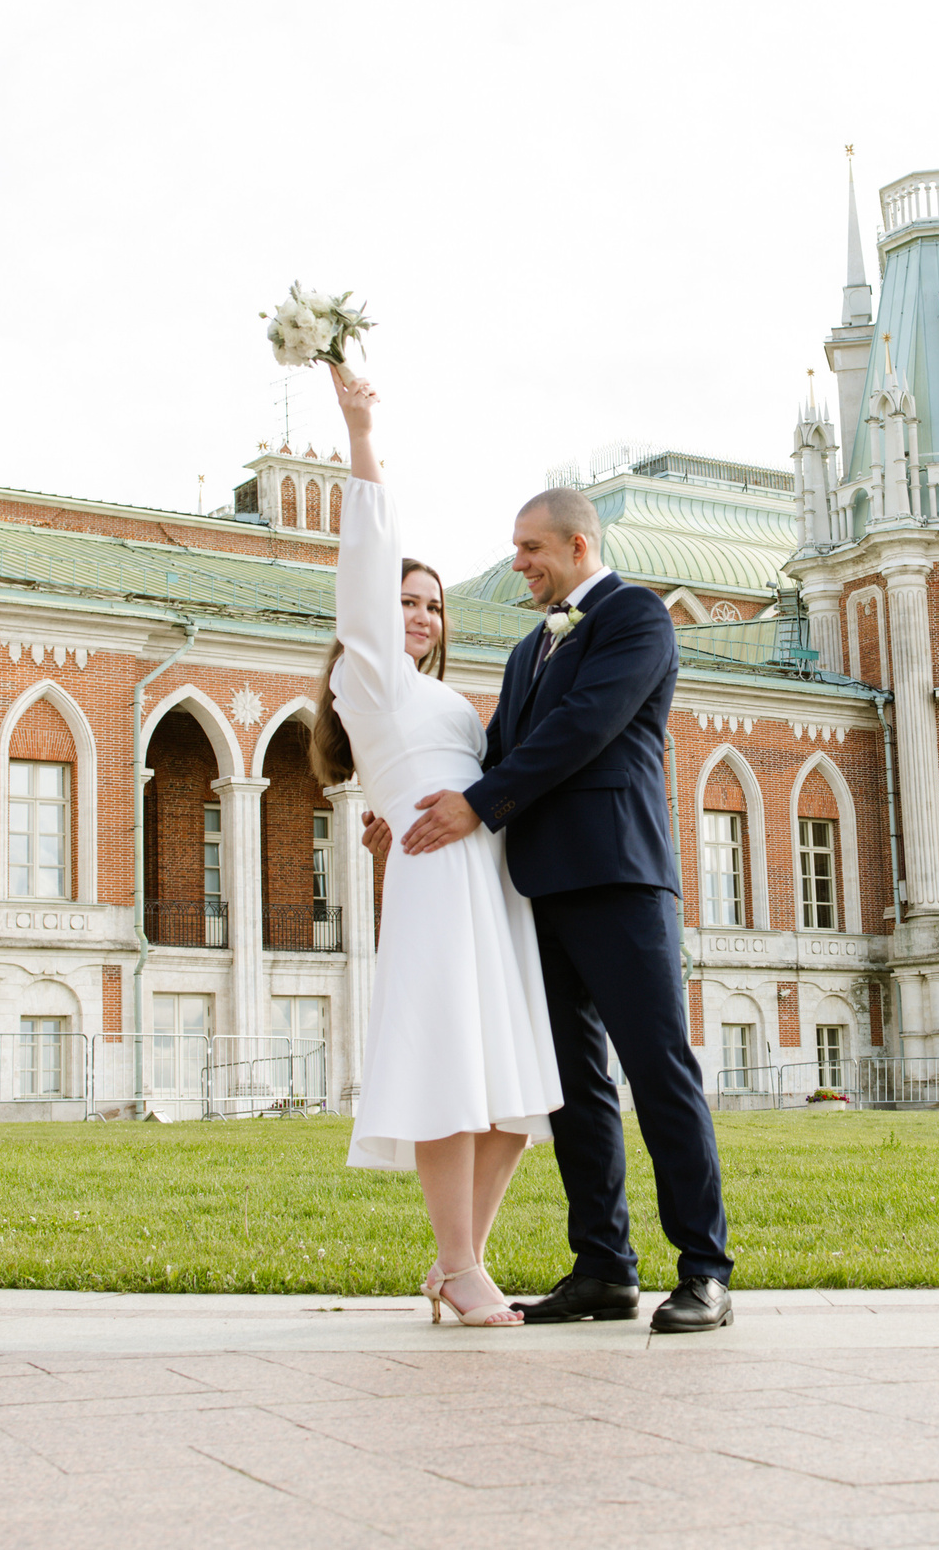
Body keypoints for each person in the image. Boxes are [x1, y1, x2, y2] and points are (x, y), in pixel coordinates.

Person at [383, 480, 735, 1333]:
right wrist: (403, 812)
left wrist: (479, 803)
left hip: (619, 878)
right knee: (572, 1087)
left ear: (577, 546)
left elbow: (583, 726)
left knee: (658, 1071)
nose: (519, 563)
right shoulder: (524, 651)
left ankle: (706, 1270)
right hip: (537, 887)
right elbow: (495, 753)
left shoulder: (637, 618)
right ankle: (605, 1268)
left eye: (530, 548)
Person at [313, 366, 561, 1327]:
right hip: (431, 889)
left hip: (493, 891)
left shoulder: (448, 699)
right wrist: (362, 430)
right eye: (406, 601)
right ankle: (459, 1266)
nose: (419, 614)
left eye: (432, 605)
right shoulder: (367, 683)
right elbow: (364, 563)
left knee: (512, 1102)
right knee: (454, 1078)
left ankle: (463, 1261)